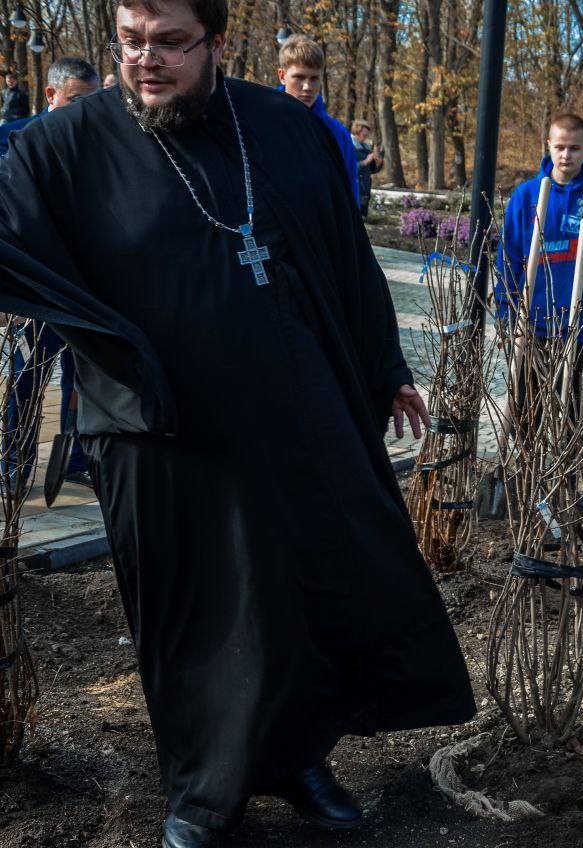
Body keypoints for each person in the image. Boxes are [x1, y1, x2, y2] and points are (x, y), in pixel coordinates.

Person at [0, 0, 475, 845]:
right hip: (159, 428)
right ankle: (201, 790)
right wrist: (116, 350)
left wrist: (384, 366)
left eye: (172, 43)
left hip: (291, 408)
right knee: (195, 611)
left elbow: (342, 250)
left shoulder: (280, 126)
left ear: (218, 42)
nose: (147, 61)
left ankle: (298, 761)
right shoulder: (64, 147)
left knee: (297, 594)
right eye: (131, 41)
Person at [0, 57, 101, 492]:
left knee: (83, 380)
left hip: (83, 286)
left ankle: (75, 459)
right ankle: (13, 467)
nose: (85, 113)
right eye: (77, 102)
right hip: (31, 286)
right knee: (28, 376)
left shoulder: (101, 149)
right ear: (50, 96)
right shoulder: (11, 140)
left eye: (93, 104)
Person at [497, 112, 583, 340]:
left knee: (573, 377)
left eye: (574, 148)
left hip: (577, 326)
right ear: (549, 145)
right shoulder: (526, 195)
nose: (566, 155)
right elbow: (508, 257)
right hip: (528, 323)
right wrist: (505, 310)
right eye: (560, 147)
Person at [276, 34, 360, 206]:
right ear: (282, 76)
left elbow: (350, 196)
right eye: (299, 77)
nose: (307, 87)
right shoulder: (259, 125)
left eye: (314, 78)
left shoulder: (337, 134)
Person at [350, 118, 382, 216]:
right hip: (354, 188)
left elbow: (371, 170)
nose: (365, 137)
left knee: (362, 218)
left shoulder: (366, 147)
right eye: (364, 135)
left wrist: (378, 164)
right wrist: (365, 162)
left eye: (367, 135)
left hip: (365, 188)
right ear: (356, 132)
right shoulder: (349, 146)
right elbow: (348, 168)